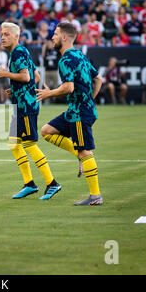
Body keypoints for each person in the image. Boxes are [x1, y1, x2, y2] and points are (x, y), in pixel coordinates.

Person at [37, 22, 104, 206]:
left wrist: (48, 93)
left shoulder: (66, 59)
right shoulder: (80, 56)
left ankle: (95, 197)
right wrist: (90, 99)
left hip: (79, 114)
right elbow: (98, 79)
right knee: (46, 131)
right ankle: (77, 153)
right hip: (76, 110)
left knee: (85, 151)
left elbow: (68, 87)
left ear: (64, 37)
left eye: (56, 34)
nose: (52, 37)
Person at [0, 22, 61, 201]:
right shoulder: (22, 51)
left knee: (29, 144)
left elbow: (26, 77)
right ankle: (29, 184)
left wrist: (7, 75)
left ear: (16, 36)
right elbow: (36, 76)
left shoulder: (17, 52)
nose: (3, 37)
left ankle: (52, 183)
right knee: (14, 143)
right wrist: (16, 88)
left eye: (7, 34)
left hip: (25, 107)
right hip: (22, 104)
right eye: (1, 34)